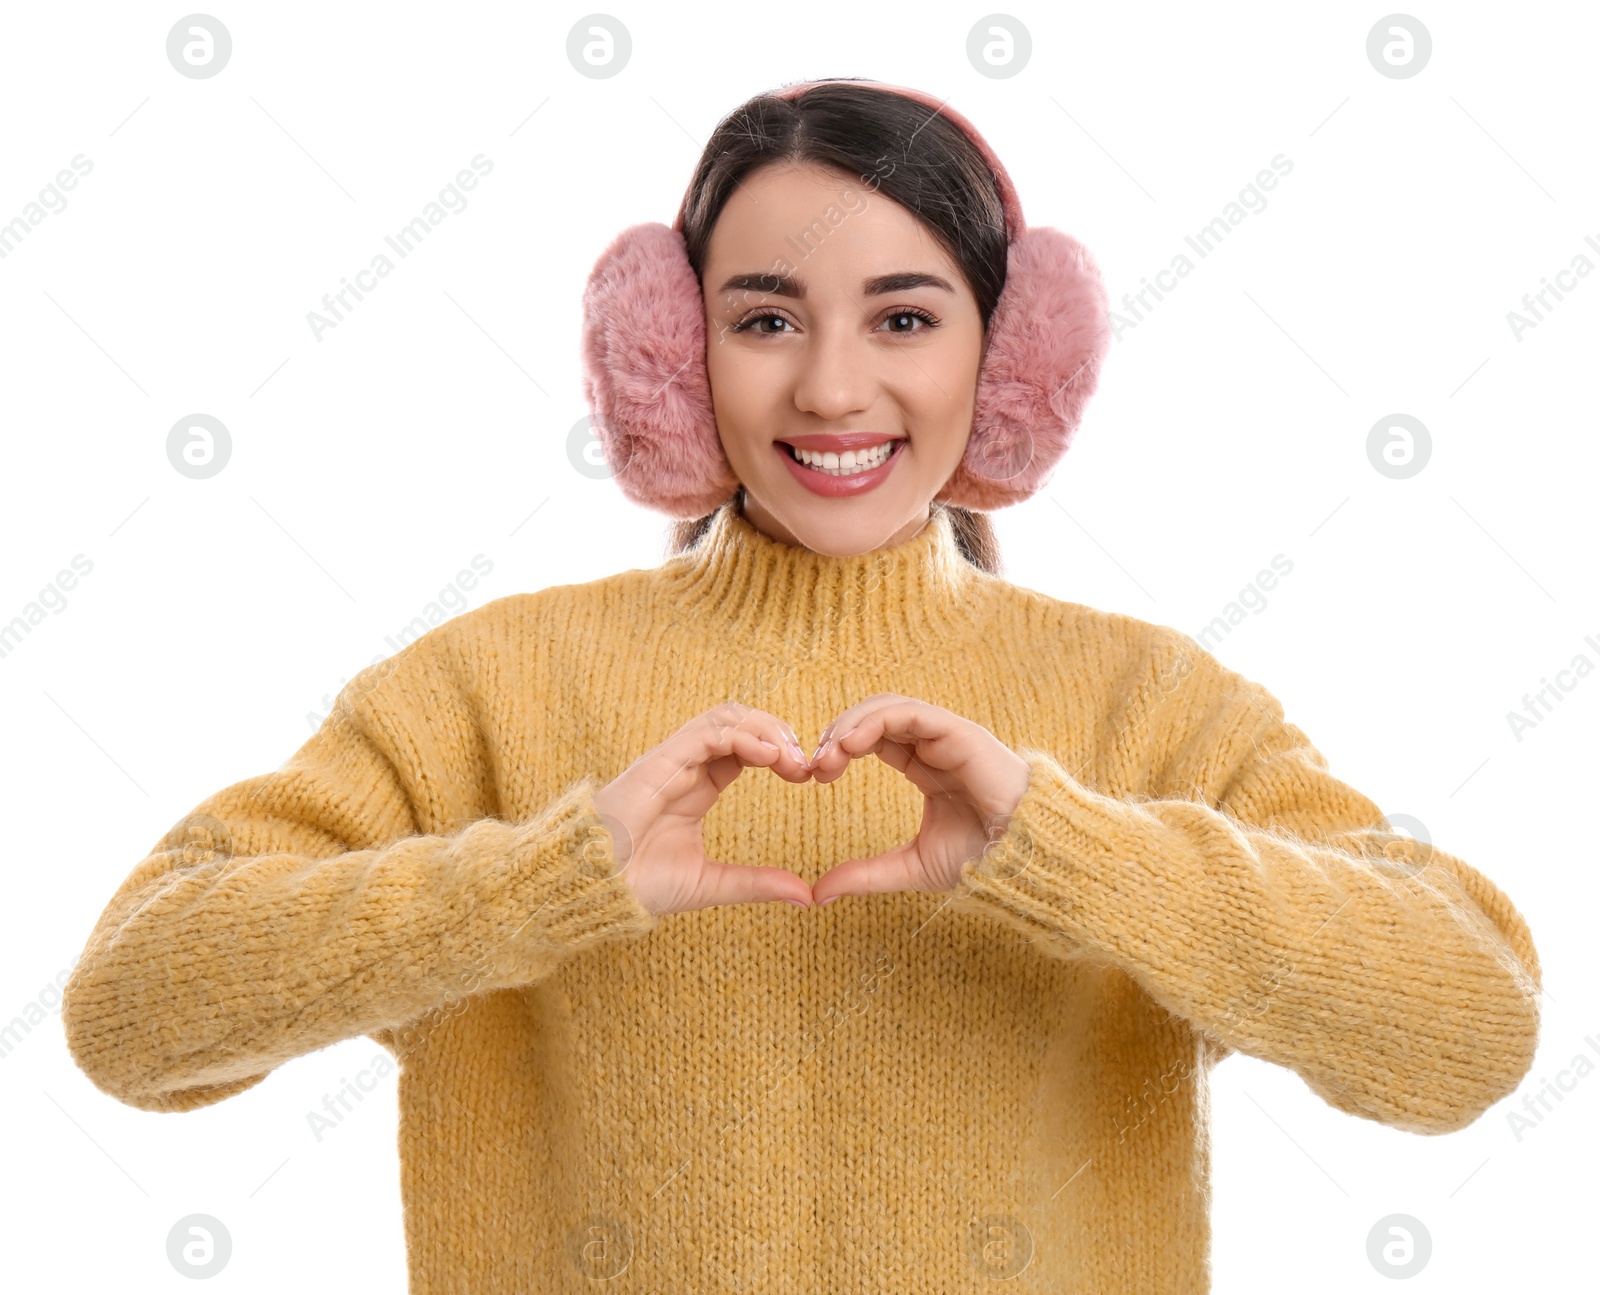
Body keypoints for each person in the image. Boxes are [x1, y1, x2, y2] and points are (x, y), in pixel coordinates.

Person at [62, 78, 1541, 1293]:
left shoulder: (1149, 703)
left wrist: (1073, 854)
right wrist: (537, 881)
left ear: (1011, 360)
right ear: (669, 355)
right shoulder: (486, 687)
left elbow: (1470, 1032)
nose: (832, 390)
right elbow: (130, 1017)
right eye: (766, 318)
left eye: (904, 317)